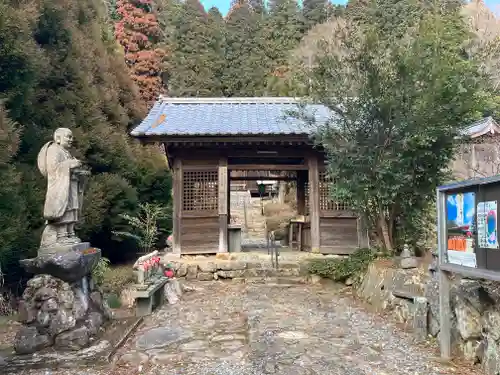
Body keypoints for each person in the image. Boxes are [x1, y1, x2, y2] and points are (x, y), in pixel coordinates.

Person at [37, 128, 89, 249]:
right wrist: (70, 164)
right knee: (65, 208)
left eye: (71, 137)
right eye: (68, 137)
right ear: (58, 138)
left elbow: (69, 169)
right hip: (60, 188)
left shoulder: (66, 152)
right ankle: (61, 235)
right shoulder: (54, 150)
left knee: (72, 208)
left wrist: (79, 173)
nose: (71, 139)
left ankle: (70, 233)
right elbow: (53, 169)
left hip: (71, 186)